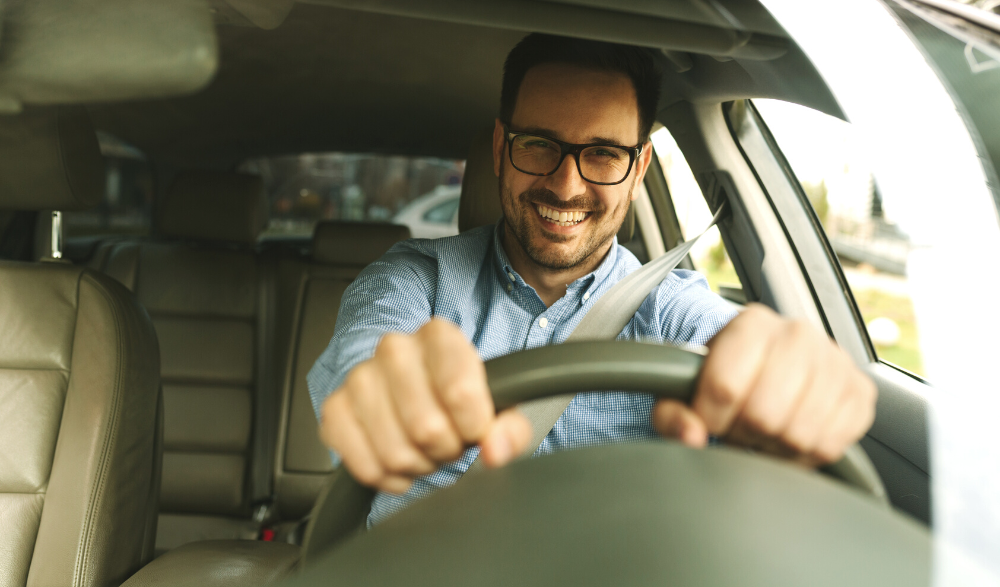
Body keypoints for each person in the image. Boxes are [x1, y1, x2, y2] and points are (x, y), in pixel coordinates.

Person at [307, 34, 876, 526]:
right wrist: (380, 394)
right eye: (539, 146)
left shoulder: (672, 313)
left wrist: (788, 377)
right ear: (503, 150)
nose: (565, 184)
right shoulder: (416, 279)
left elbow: (738, 345)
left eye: (602, 154)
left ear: (639, 170)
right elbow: (363, 362)